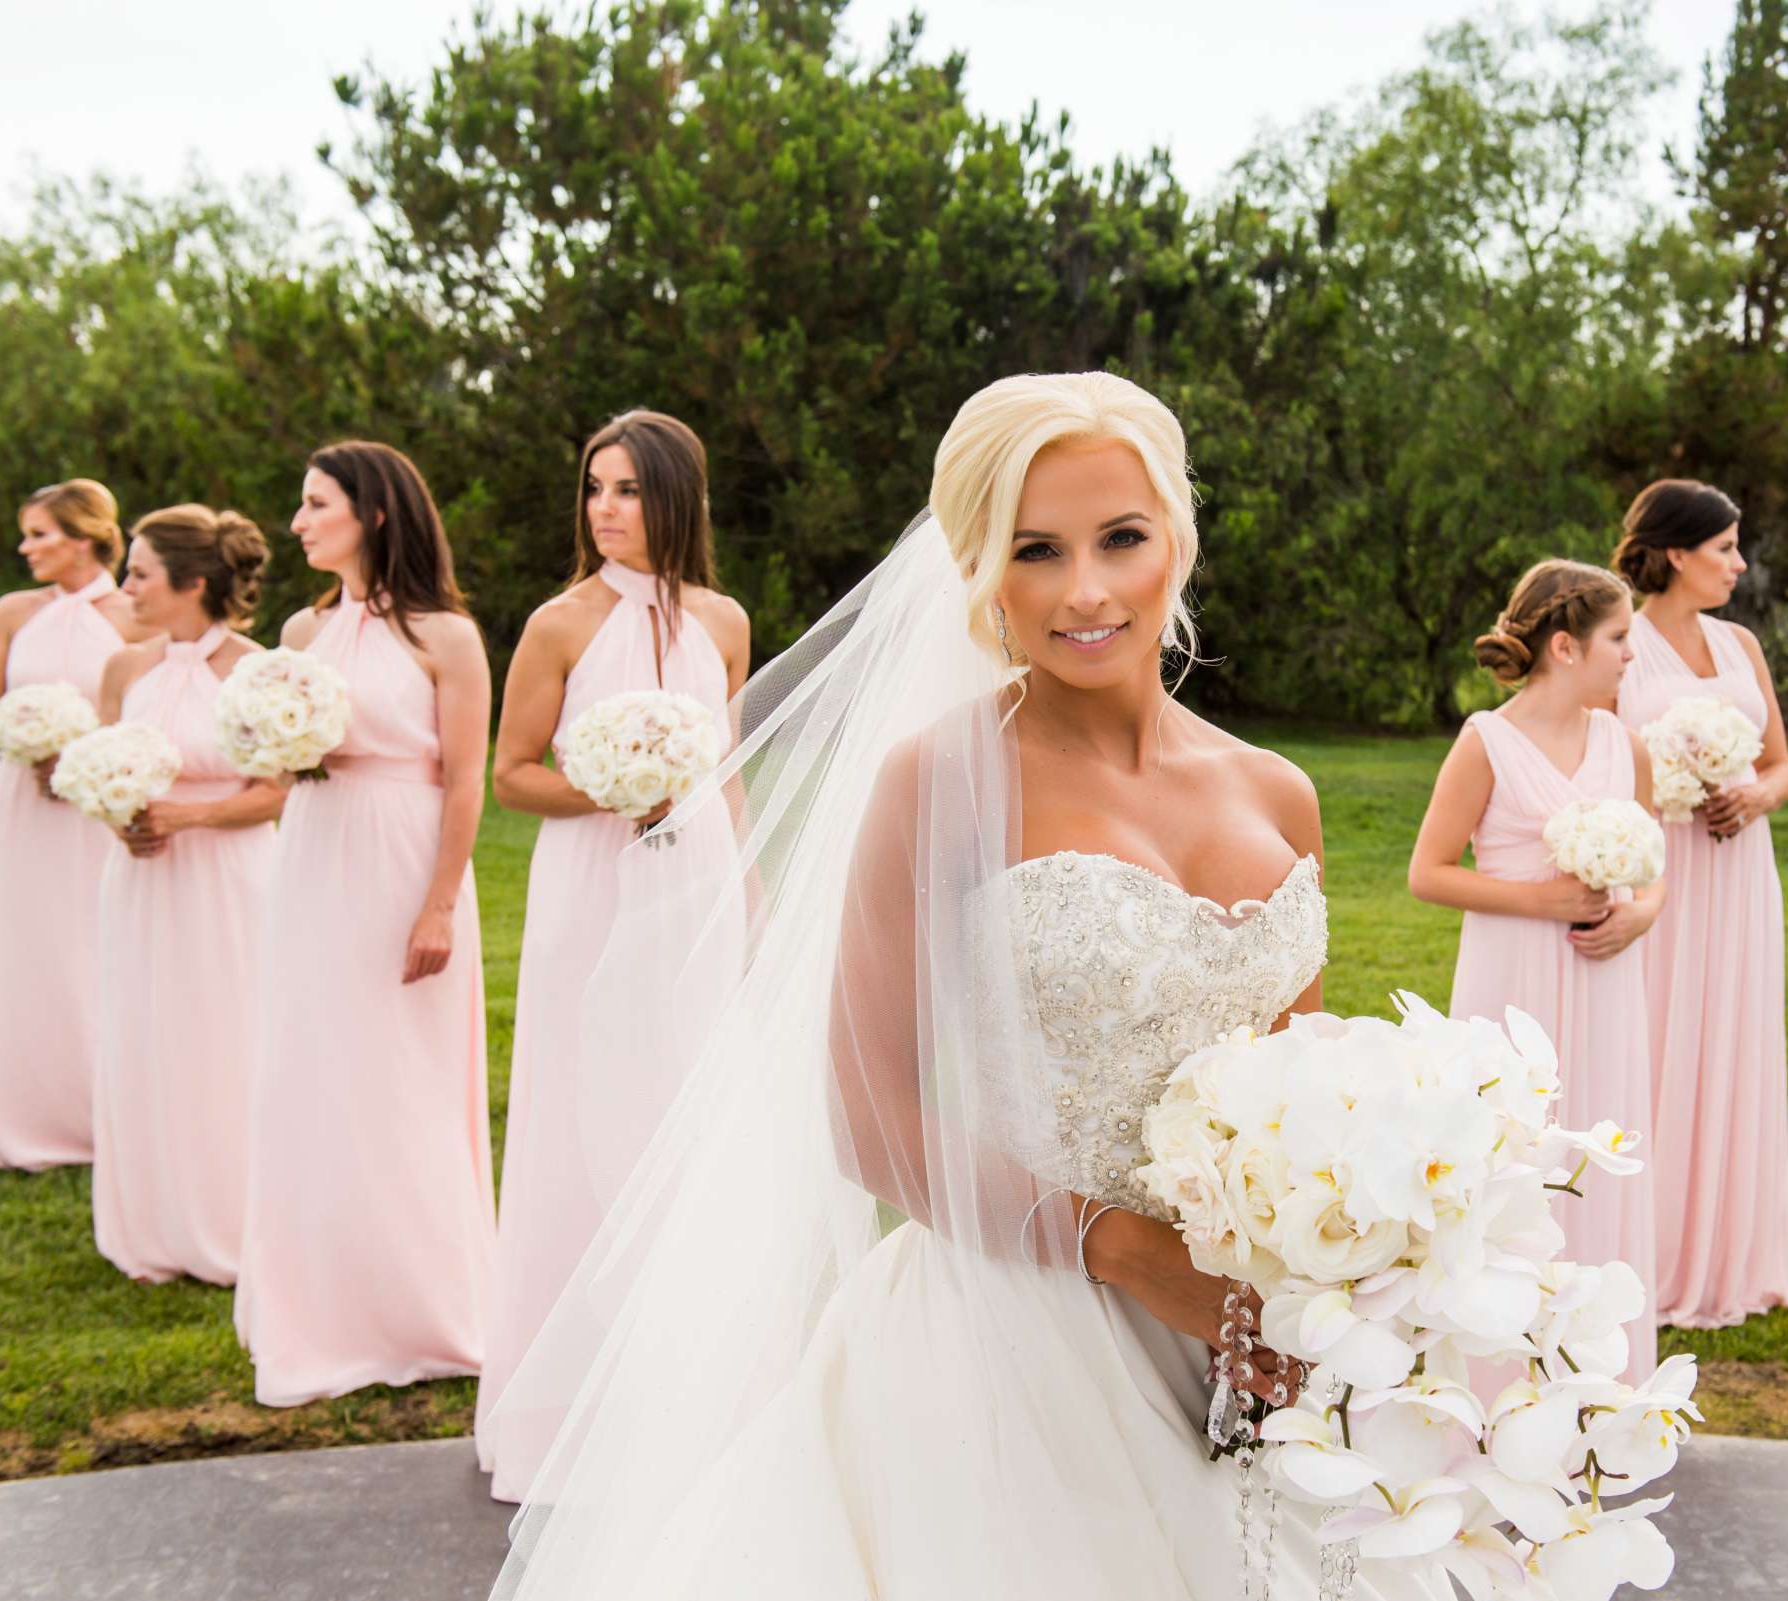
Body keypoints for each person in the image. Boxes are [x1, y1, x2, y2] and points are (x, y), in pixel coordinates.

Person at [486, 374, 1437, 1598]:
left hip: (1248, 1340)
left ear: (1177, 543)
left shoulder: (1279, 791)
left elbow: (1302, 1101)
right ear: (981, 569)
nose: (1084, 589)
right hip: (1010, 1338)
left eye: (1121, 539)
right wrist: (1129, 1250)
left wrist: (1323, 1279)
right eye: (1035, 550)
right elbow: (870, 1117)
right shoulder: (935, 779)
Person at [475, 411, 749, 1502]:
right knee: (584, 1102)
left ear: (676, 497)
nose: (604, 508)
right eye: (595, 486)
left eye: (629, 488)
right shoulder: (558, 623)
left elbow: (726, 771)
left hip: (698, 884)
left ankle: (686, 1384)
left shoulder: (724, 620)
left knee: (687, 1112)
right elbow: (511, 773)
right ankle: (565, 1395)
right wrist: (616, 788)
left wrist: (753, 896)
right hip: (593, 883)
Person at [233, 441, 498, 1406]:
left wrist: (436, 903)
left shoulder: (445, 636)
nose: (298, 523)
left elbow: (466, 779)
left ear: (375, 512)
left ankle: (425, 1306)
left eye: (315, 504)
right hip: (314, 858)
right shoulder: (300, 634)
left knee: (403, 1080)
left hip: (404, 860)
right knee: (312, 1071)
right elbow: (276, 764)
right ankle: (322, 1309)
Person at [1409, 557, 1665, 1382]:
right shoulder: (1486, 742)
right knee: (1513, 1161)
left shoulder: (1626, 745)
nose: (1632, 654)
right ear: (1565, 644)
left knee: (1603, 1145)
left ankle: (1597, 1379)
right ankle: (1496, 1376)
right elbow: (1429, 871)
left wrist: (1641, 912)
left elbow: (1655, 865)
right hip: (1511, 980)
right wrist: (1544, 902)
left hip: (1605, 982)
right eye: (1619, 637)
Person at [1611, 479, 1788, 1330]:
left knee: (1732, 1036)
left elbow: (1781, 766)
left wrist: (1753, 797)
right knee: (1654, 1039)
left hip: (1739, 868)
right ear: (1677, 553)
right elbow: (1597, 759)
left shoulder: (1740, 643)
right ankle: (1640, 1250)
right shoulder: (1622, 642)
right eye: (1725, 547)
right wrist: (1664, 798)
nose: (1739, 562)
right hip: (1658, 869)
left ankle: (1727, 1254)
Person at [89, 505, 286, 1283]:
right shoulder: (122, 669)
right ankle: (151, 1225)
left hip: (229, 879)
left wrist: (190, 814)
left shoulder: (256, 669)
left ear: (192, 582)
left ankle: (235, 1218)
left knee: (225, 1037)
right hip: (140, 881)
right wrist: (122, 822)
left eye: (139, 573)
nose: (126, 586)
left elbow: (278, 790)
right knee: (142, 1035)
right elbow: (102, 769)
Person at [0, 479, 155, 1170]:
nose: (25, 547)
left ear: (83, 537)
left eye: (39, 533)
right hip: (22, 797)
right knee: (29, 948)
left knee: (94, 942)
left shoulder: (134, 611)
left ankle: (108, 1110)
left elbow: (151, 705)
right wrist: (20, 740)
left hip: (93, 800)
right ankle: (24, 1114)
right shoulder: (13, 611)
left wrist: (85, 756)